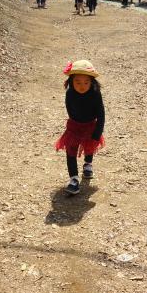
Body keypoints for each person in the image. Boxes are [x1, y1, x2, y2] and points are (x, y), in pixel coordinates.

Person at [55, 60, 105, 195]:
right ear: (71, 81)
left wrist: (97, 131)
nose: (82, 86)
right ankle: (74, 179)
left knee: (89, 145)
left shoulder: (95, 93)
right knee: (70, 150)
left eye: (86, 83)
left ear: (92, 82)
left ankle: (88, 164)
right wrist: (74, 122)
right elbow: (69, 108)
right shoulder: (70, 93)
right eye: (78, 82)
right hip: (74, 125)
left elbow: (101, 113)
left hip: (90, 125)